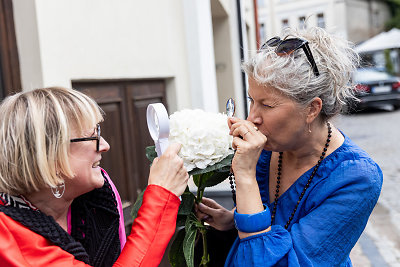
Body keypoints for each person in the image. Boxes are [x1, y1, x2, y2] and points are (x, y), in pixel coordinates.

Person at [196, 27, 383, 266]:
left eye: (268, 105)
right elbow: (276, 214)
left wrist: (245, 177)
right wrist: (232, 219)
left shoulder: (356, 179)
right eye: (252, 100)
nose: (252, 117)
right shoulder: (269, 148)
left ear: (312, 109)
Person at [0, 87, 189, 266]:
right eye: (93, 136)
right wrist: (161, 197)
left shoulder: (99, 197)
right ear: (51, 155)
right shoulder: (6, 235)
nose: (105, 145)